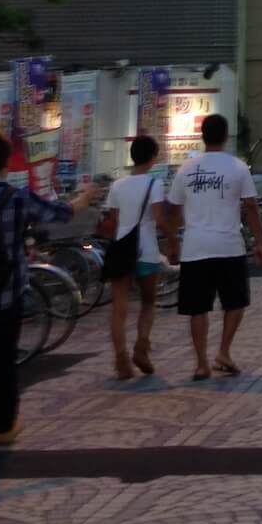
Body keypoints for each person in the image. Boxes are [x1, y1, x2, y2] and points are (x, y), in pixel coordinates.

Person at [0, 130, 97, 463]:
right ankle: (3, 426)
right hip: (5, 296)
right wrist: (84, 198)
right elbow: (60, 214)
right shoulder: (17, 198)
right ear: (6, 164)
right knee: (3, 363)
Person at [163, 114, 262, 380]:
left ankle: (201, 363)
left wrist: (174, 242)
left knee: (198, 307)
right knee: (235, 303)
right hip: (229, 246)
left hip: (195, 247)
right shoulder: (238, 167)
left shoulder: (185, 169)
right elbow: (252, 207)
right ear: (226, 135)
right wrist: (258, 242)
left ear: (202, 136)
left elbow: (173, 209)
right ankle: (223, 351)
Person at [98, 134, 167, 381]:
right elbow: (158, 218)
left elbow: (113, 223)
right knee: (149, 302)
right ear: (151, 158)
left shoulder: (117, 185)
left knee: (119, 307)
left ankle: (121, 359)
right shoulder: (154, 184)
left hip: (121, 249)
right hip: (146, 249)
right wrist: (173, 239)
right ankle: (141, 347)